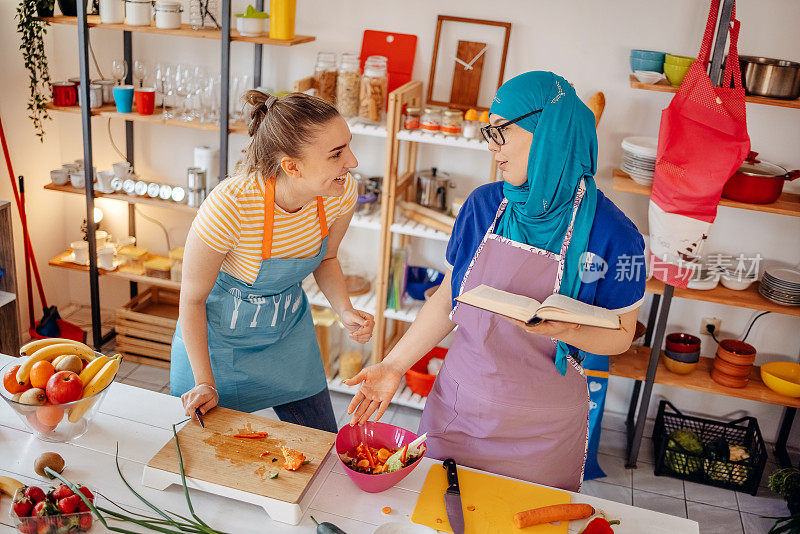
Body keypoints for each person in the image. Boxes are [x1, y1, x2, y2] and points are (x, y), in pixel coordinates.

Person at [346, 71, 646, 491]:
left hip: (542, 435)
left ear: (547, 130)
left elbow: (621, 336)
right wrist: (393, 365)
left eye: (500, 131)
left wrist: (570, 330)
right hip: (459, 412)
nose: (491, 146)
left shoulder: (615, 234)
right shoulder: (484, 204)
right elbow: (452, 296)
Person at [171, 90, 374, 433]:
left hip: (288, 343)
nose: (352, 162)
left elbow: (328, 258)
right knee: (207, 457)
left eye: (349, 146)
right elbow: (191, 300)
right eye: (337, 154)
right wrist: (205, 382)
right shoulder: (231, 205)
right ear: (292, 166)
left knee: (321, 445)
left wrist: (345, 310)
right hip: (220, 351)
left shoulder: (338, 193)